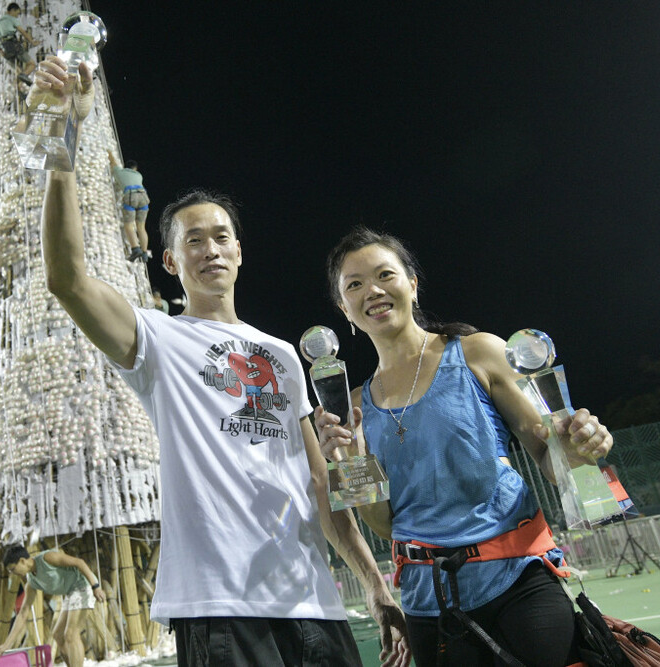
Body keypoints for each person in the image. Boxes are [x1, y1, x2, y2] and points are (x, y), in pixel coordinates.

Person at [33, 55, 409, 667]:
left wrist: (374, 582)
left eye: (222, 236)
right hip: (219, 606)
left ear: (240, 251)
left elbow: (319, 485)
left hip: (312, 600)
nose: (211, 249)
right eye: (193, 241)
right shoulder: (155, 337)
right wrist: (63, 145)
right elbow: (68, 278)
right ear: (170, 262)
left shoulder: (283, 355)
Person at [315, 227, 614, 667]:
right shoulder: (353, 407)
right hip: (426, 604)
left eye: (385, 275)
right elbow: (384, 525)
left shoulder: (478, 353)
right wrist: (349, 460)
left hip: (518, 582)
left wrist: (584, 444)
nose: (373, 291)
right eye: (355, 284)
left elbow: (555, 460)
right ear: (344, 308)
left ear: (412, 284)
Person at [0, 547, 107, 667]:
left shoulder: (47, 558)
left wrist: (96, 586)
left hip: (83, 585)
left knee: (70, 634)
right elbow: (23, 613)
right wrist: (6, 644)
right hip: (71, 592)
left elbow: (79, 562)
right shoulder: (32, 582)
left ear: (22, 561)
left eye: (13, 569)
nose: (13, 573)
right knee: (58, 635)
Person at [108, 153, 151, 262]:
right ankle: (145, 253)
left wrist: (110, 154)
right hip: (144, 197)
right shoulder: (139, 175)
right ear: (135, 168)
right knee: (141, 227)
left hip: (131, 196)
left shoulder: (119, 172)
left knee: (128, 225)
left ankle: (135, 249)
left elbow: (113, 163)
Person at [0, 3, 38, 82]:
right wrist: (32, 42)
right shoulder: (12, 19)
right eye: (17, 13)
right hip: (13, 45)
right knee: (32, 64)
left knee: (18, 70)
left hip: (4, 49)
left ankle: (20, 86)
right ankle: (24, 76)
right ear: (12, 11)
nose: (17, 16)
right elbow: (23, 32)